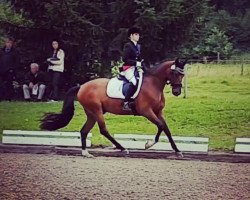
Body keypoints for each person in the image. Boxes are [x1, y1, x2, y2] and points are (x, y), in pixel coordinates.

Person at [120, 27, 143, 110]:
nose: (138, 36)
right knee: (133, 82)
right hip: (128, 68)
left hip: (136, 68)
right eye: (136, 34)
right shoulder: (128, 45)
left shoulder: (138, 46)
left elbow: (139, 58)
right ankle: (125, 102)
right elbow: (125, 59)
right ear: (131, 35)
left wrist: (141, 63)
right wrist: (136, 63)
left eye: (138, 35)